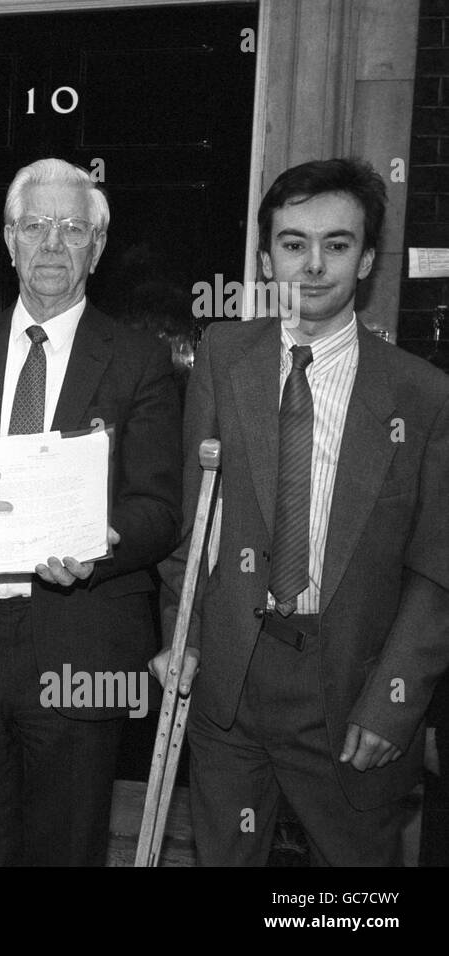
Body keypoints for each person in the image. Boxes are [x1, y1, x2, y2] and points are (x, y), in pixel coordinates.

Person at [0, 158, 182, 865]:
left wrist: (102, 542)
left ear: (98, 248)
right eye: (35, 226)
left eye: (73, 228)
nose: (53, 243)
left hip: (77, 641)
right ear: (9, 239)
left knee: (66, 849)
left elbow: (160, 509)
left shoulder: (139, 360)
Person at [153, 157, 449, 866]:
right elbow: (192, 528)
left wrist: (392, 705)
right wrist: (181, 634)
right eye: (293, 244)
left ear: (368, 258)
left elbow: (437, 567)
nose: (313, 265)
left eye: (337, 244)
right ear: (265, 259)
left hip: (351, 689)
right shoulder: (223, 357)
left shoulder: (422, 395)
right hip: (230, 681)